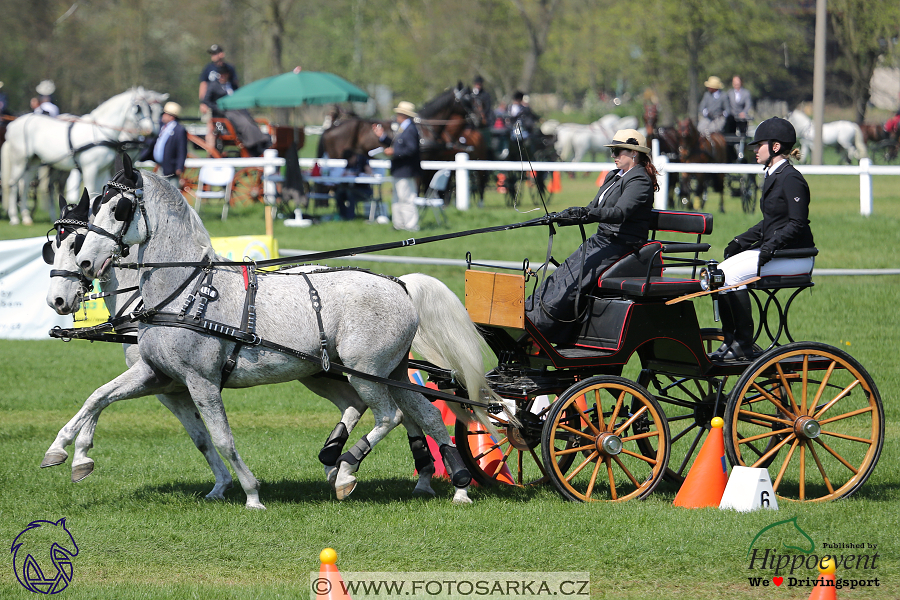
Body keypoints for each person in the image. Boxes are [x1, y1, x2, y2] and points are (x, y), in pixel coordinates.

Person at [525, 129, 659, 344]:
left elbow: (619, 213)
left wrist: (588, 213)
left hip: (622, 245)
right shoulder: (614, 176)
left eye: (617, 151)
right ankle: (529, 314)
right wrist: (564, 217)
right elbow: (592, 208)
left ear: (634, 153)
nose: (613, 155)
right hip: (602, 240)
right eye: (612, 151)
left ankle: (543, 329)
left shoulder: (639, 181)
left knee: (576, 281)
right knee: (562, 274)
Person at [713, 117, 815, 360]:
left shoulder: (791, 178)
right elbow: (771, 222)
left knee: (733, 276)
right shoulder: (773, 175)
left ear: (775, 147)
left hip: (796, 256)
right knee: (719, 271)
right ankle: (730, 340)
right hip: (778, 252)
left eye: (759, 145)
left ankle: (743, 344)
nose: (755, 150)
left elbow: (797, 223)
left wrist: (769, 247)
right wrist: (741, 241)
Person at [373, 101, 421, 231]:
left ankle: (411, 225)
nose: (396, 117)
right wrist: (382, 136)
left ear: (403, 115)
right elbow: (397, 144)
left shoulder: (410, 129)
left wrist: (394, 152)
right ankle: (399, 224)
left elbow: (412, 149)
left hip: (406, 170)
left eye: (398, 114)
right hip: (399, 169)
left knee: (406, 198)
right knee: (397, 198)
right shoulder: (403, 129)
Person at [202, 68, 270, 157]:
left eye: (224, 74)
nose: (222, 76)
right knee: (244, 123)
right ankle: (251, 143)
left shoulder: (232, 86)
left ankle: (261, 139)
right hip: (225, 113)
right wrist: (218, 108)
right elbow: (206, 100)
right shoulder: (214, 86)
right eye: (221, 74)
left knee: (249, 119)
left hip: (237, 110)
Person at [137, 101, 188, 189]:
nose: (163, 116)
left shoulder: (179, 130)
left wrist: (179, 167)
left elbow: (182, 150)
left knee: (172, 191)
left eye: (165, 114)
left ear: (171, 116)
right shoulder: (162, 126)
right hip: (161, 166)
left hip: (171, 167)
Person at [199, 44, 239, 120]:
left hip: (226, 100)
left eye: (215, 54)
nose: (212, 56)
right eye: (212, 54)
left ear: (221, 54)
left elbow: (235, 83)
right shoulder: (208, 68)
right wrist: (202, 102)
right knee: (211, 123)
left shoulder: (228, 68)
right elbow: (203, 84)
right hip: (211, 100)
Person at [335, 148, 373, 220]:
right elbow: (344, 173)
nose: (349, 162)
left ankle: (350, 217)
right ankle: (343, 215)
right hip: (351, 188)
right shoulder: (349, 164)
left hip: (364, 190)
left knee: (350, 194)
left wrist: (356, 173)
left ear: (354, 156)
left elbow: (369, 173)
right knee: (339, 194)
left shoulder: (363, 160)